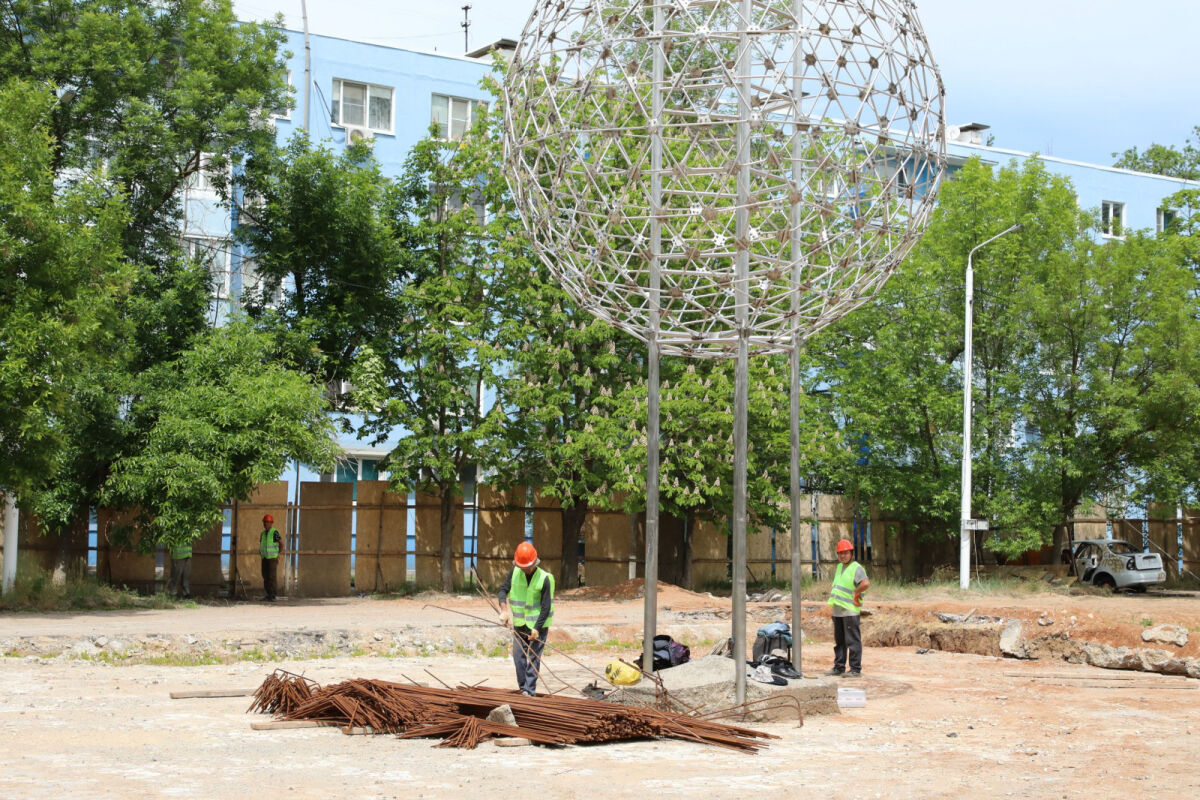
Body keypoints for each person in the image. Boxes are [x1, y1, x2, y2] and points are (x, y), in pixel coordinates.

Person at [497, 541, 555, 697]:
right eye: (521, 566)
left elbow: (546, 607)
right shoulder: (514, 572)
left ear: (534, 562)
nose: (524, 569)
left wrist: (536, 629)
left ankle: (529, 691)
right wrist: (504, 610)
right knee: (518, 657)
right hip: (520, 624)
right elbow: (503, 590)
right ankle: (523, 688)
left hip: (538, 625)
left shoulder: (545, 578)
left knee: (533, 659)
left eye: (526, 567)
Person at [826, 538, 870, 678]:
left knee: (852, 641)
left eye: (845, 553)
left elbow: (865, 583)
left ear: (851, 553)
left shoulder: (856, 567)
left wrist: (856, 592)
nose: (842, 555)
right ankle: (839, 667)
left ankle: (855, 669)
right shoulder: (839, 567)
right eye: (840, 553)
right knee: (839, 641)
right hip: (838, 610)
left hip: (849, 610)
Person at [260, 514, 282, 602]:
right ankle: (268, 594)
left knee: (272, 577)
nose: (265, 524)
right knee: (265, 576)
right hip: (265, 558)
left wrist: (278, 554)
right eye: (264, 522)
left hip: (272, 558)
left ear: (271, 523)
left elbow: (281, 543)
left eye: (267, 522)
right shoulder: (262, 534)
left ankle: (273, 595)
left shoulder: (274, 532)